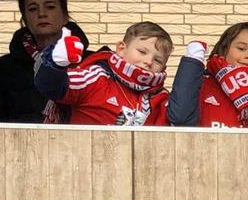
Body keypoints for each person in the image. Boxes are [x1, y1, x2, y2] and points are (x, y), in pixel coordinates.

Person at [0, 0, 88, 124]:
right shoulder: (5, 68)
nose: (42, 14)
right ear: (25, 19)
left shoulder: (91, 63)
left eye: (50, 7)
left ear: (65, 16)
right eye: (32, 9)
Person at [34, 21, 171, 127]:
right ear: (121, 49)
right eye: (142, 52)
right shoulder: (97, 78)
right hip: (85, 159)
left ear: (164, 67)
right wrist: (56, 64)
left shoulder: (161, 99)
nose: (148, 61)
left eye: (157, 60)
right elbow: (53, 88)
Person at [168, 21, 248, 129]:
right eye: (241, 48)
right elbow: (180, 116)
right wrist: (193, 62)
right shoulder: (200, 84)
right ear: (224, 49)